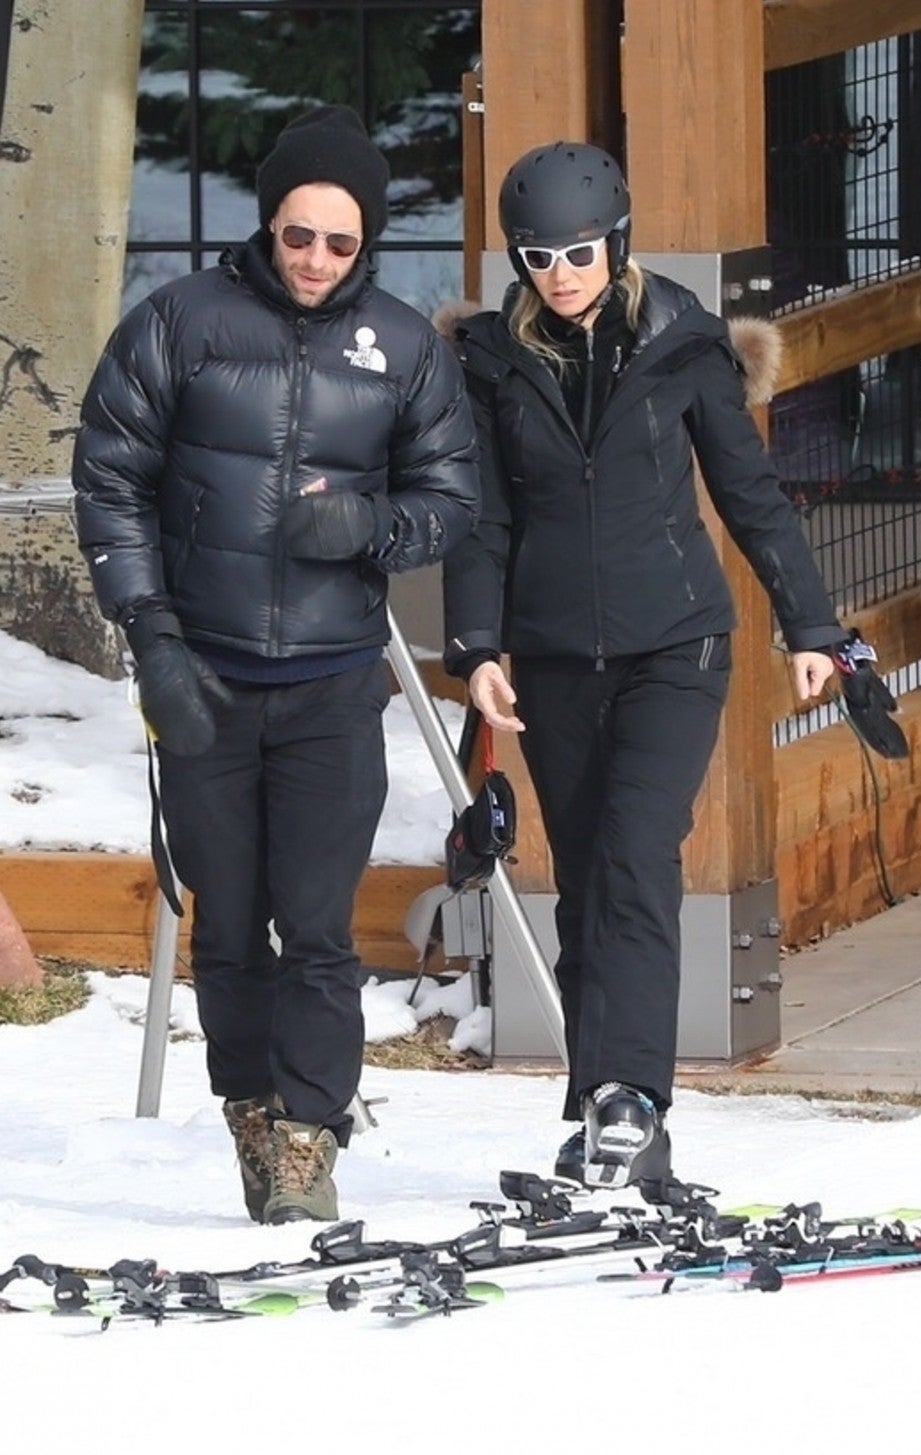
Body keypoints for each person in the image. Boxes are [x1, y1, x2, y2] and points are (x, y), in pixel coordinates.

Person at [72, 105, 479, 1225]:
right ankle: (250, 1109)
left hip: (330, 683)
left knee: (315, 926)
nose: (315, 259)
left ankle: (310, 1136)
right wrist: (151, 634)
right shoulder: (179, 323)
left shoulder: (403, 348)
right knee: (228, 925)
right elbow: (110, 477)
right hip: (200, 674)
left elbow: (452, 499)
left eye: (340, 242)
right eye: (299, 234)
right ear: (269, 224)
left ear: (366, 244)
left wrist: (368, 527)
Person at [441, 140, 851, 1199]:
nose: (560, 274)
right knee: (585, 883)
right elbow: (483, 519)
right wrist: (476, 649)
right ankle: (609, 1118)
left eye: (579, 253)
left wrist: (810, 627)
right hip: (550, 657)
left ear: (615, 244)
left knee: (633, 854)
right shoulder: (489, 361)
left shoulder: (684, 344)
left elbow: (750, 494)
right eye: (537, 257)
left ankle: (629, 1094)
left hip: (677, 643)